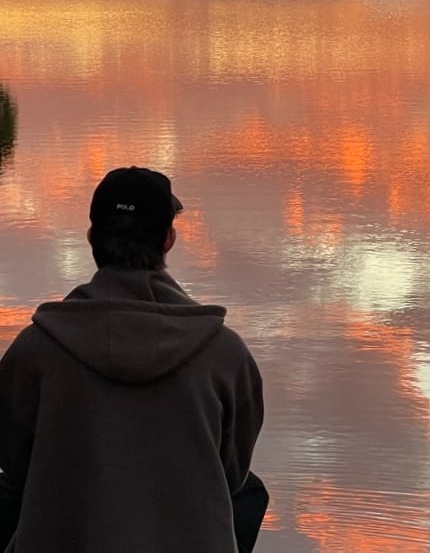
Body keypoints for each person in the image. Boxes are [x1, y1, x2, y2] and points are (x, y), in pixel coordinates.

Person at [0, 166, 268, 553]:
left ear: (92, 238)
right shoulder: (226, 356)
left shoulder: (33, 350)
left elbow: (17, 466)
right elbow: (231, 473)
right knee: (249, 492)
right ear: (168, 241)